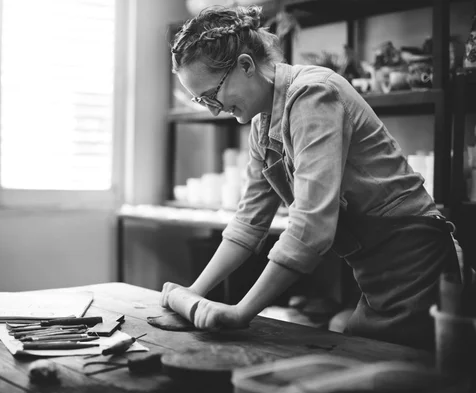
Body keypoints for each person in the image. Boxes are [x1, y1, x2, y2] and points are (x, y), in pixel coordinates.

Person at [160, 5, 463, 351]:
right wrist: (193, 292)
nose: (213, 109)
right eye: (201, 101)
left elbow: (311, 226)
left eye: (212, 95)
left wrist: (242, 311)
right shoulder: (262, 125)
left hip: (416, 264)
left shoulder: (313, 94)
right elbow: (248, 223)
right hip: (375, 274)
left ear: (245, 65)